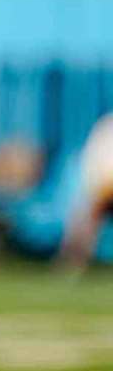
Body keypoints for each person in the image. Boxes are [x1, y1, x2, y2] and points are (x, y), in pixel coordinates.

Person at [57, 113, 113, 269]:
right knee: (85, 211)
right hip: (104, 190)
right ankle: (71, 263)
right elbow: (95, 165)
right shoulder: (108, 125)